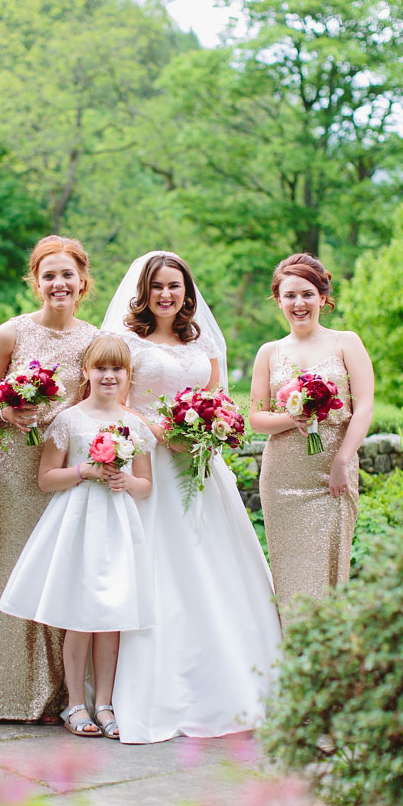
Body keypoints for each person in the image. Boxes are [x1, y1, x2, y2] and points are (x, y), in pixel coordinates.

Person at [103, 251, 284, 743]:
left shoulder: (202, 342)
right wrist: (162, 432)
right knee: (164, 569)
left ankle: (238, 682)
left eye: (175, 286)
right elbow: (114, 402)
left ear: (188, 293)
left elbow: (221, 399)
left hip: (202, 467)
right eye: (157, 286)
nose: (166, 294)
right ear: (144, 290)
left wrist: (210, 429)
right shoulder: (124, 341)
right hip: (151, 465)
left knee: (220, 566)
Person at [0, 334, 155, 739]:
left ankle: (105, 702)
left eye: (117, 369)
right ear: (85, 372)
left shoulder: (134, 424)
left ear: (127, 374)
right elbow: (47, 479)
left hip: (117, 526)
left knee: (112, 618)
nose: (108, 375)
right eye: (100, 368)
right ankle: (74, 704)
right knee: (80, 617)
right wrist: (85, 471)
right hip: (78, 525)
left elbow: (146, 486)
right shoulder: (69, 420)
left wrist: (124, 480)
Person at [0, 235, 99, 722]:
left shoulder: (93, 338)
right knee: (13, 569)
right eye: (48, 275)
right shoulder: (10, 333)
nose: (58, 283)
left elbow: (100, 401)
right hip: (11, 469)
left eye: (67, 274)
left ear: (83, 282)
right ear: (35, 282)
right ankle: (11, 694)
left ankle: (58, 694)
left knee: (61, 572)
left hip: (64, 469)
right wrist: (8, 413)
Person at [249, 253, 374, 626]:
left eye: (307, 294)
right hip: (283, 479)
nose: (298, 304)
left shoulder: (345, 342)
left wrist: (341, 461)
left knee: (330, 570)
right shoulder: (268, 352)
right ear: (279, 300)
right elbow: (257, 417)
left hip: (332, 473)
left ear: (322, 297)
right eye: (289, 296)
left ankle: (332, 658)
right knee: (291, 574)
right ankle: (296, 654)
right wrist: (292, 418)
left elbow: (364, 406)